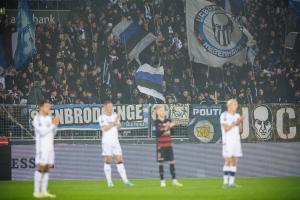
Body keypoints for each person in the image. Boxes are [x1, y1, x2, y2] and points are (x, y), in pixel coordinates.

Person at [98, 100, 133, 187]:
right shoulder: (102, 117)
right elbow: (105, 128)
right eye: (109, 107)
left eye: (111, 106)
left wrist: (118, 121)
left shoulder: (114, 115)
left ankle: (125, 181)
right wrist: (114, 122)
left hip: (115, 141)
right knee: (108, 160)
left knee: (120, 159)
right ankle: (109, 182)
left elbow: (118, 127)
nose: (111, 108)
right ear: (105, 107)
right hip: (106, 142)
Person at [32, 100, 60, 198]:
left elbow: (53, 132)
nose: (49, 108)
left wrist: (55, 125)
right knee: (41, 167)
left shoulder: (48, 118)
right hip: (42, 147)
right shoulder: (37, 119)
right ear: (41, 107)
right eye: (47, 106)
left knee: (47, 168)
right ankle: (36, 191)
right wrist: (53, 124)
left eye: (49, 106)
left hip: (50, 147)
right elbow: (42, 132)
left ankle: (44, 191)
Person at [154, 104, 183, 187]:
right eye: (161, 110)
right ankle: (162, 181)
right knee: (161, 163)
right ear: (157, 112)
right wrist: (167, 127)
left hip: (168, 145)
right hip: (160, 146)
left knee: (172, 161)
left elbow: (172, 132)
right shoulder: (156, 122)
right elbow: (157, 134)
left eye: (163, 110)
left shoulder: (168, 120)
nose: (163, 112)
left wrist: (170, 126)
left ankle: (174, 180)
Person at [220, 99, 243, 187]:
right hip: (228, 141)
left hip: (236, 141)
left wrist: (240, 122)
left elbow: (239, 130)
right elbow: (226, 128)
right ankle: (225, 182)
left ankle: (231, 182)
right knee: (228, 160)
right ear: (229, 106)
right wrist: (236, 122)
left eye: (236, 105)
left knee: (234, 160)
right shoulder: (224, 115)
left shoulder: (237, 115)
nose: (236, 106)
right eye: (234, 104)